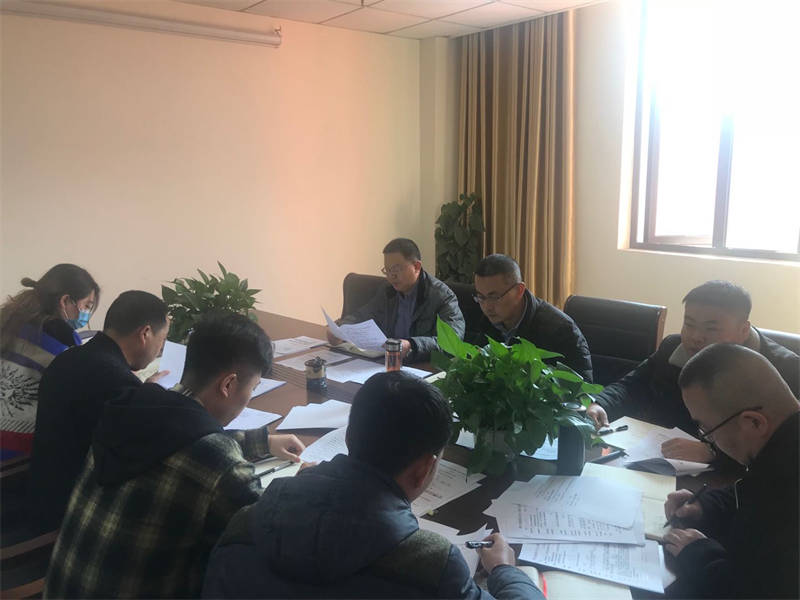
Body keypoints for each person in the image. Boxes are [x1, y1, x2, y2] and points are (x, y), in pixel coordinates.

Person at [203, 371, 543, 599]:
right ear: (425, 468)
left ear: (350, 436)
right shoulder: (432, 567)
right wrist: (503, 570)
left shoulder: (245, 523)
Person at [44, 313, 305, 599]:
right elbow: (269, 535)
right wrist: (305, 487)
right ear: (228, 384)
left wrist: (261, 441)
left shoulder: (134, 404)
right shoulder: (218, 462)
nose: (249, 397)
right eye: (252, 388)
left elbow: (182, 438)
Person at [587, 281, 799, 464]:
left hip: (732, 479)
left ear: (743, 330)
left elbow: (788, 447)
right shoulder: (673, 348)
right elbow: (632, 385)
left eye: (711, 329)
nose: (696, 337)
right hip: (658, 457)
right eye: (689, 324)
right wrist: (600, 404)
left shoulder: (785, 369)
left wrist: (713, 452)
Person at [661, 343, 799, 599]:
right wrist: (704, 505)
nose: (707, 440)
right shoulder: (781, 448)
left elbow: (762, 591)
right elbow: (750, 493)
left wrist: (700, 555)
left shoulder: (789, 487)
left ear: (753, 422)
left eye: (707, 430)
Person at [28, 291, 173, 533]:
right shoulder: (120, 385)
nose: (160, 350)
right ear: (145, 333)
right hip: (70, 514)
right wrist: (145, 397)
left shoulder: (69, 357)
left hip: (40, 491)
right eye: (163, 339)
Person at [0, 264, 100, 458]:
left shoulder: (8, 319)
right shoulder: (61, 339)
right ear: (65, 301)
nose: (86, 314)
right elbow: (81, 395)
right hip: (16, 451)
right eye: (87, 306)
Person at [326, 238, 465, 363]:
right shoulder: (388, 291)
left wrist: (411, 345)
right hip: (387, 362)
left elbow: (454, 342)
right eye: (387, 270)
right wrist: (340, 328)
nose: (391, 276)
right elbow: (364, 314)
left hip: (421, 367)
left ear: (416, 267)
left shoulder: (441, 296)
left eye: (396, 269)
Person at [468, 254, 592, 381]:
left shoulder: (561, 330)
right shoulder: (485, 321)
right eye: (480, 297)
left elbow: (580, 388)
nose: (487, 307)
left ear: (519, 291)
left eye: (494, 297)